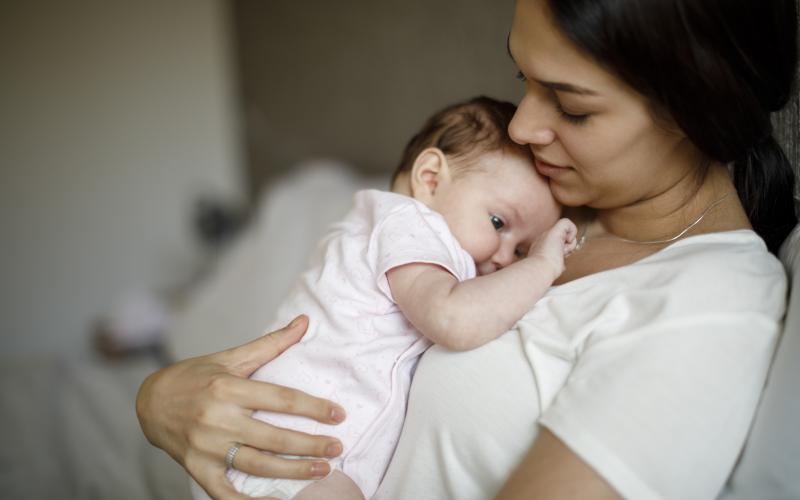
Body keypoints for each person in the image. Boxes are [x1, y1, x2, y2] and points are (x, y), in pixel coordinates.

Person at [136, 0, 798, 498]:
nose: (522, 125)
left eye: (572, 108)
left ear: (693, 109)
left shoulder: (707, 303)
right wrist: (160, 399)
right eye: (524, 79)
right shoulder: (540, 195)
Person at [189, 96, 576, 500]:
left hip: (314, 458)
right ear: (430, 179)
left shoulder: (416, 238)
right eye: (498, 222)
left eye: (520, 250)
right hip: (286, 449)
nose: (504, 257)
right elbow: (452, 319)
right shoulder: (406, 225)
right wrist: (541, 265)